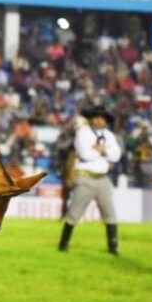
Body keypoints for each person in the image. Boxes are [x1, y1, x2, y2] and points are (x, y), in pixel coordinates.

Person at [58, 106, 122, 255]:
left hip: (102, 178)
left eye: (101, 117)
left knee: (110, 213)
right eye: (96, 117)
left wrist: (101, 150)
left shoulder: (110, 135)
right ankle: (63, 244)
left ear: (105, 120)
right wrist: (104, 152)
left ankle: (113, 247)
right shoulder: (83, 133)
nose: (98, 120)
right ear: (91, 119)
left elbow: (116, 155)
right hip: (85, 177)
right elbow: (85, 154)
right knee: (74, 212)